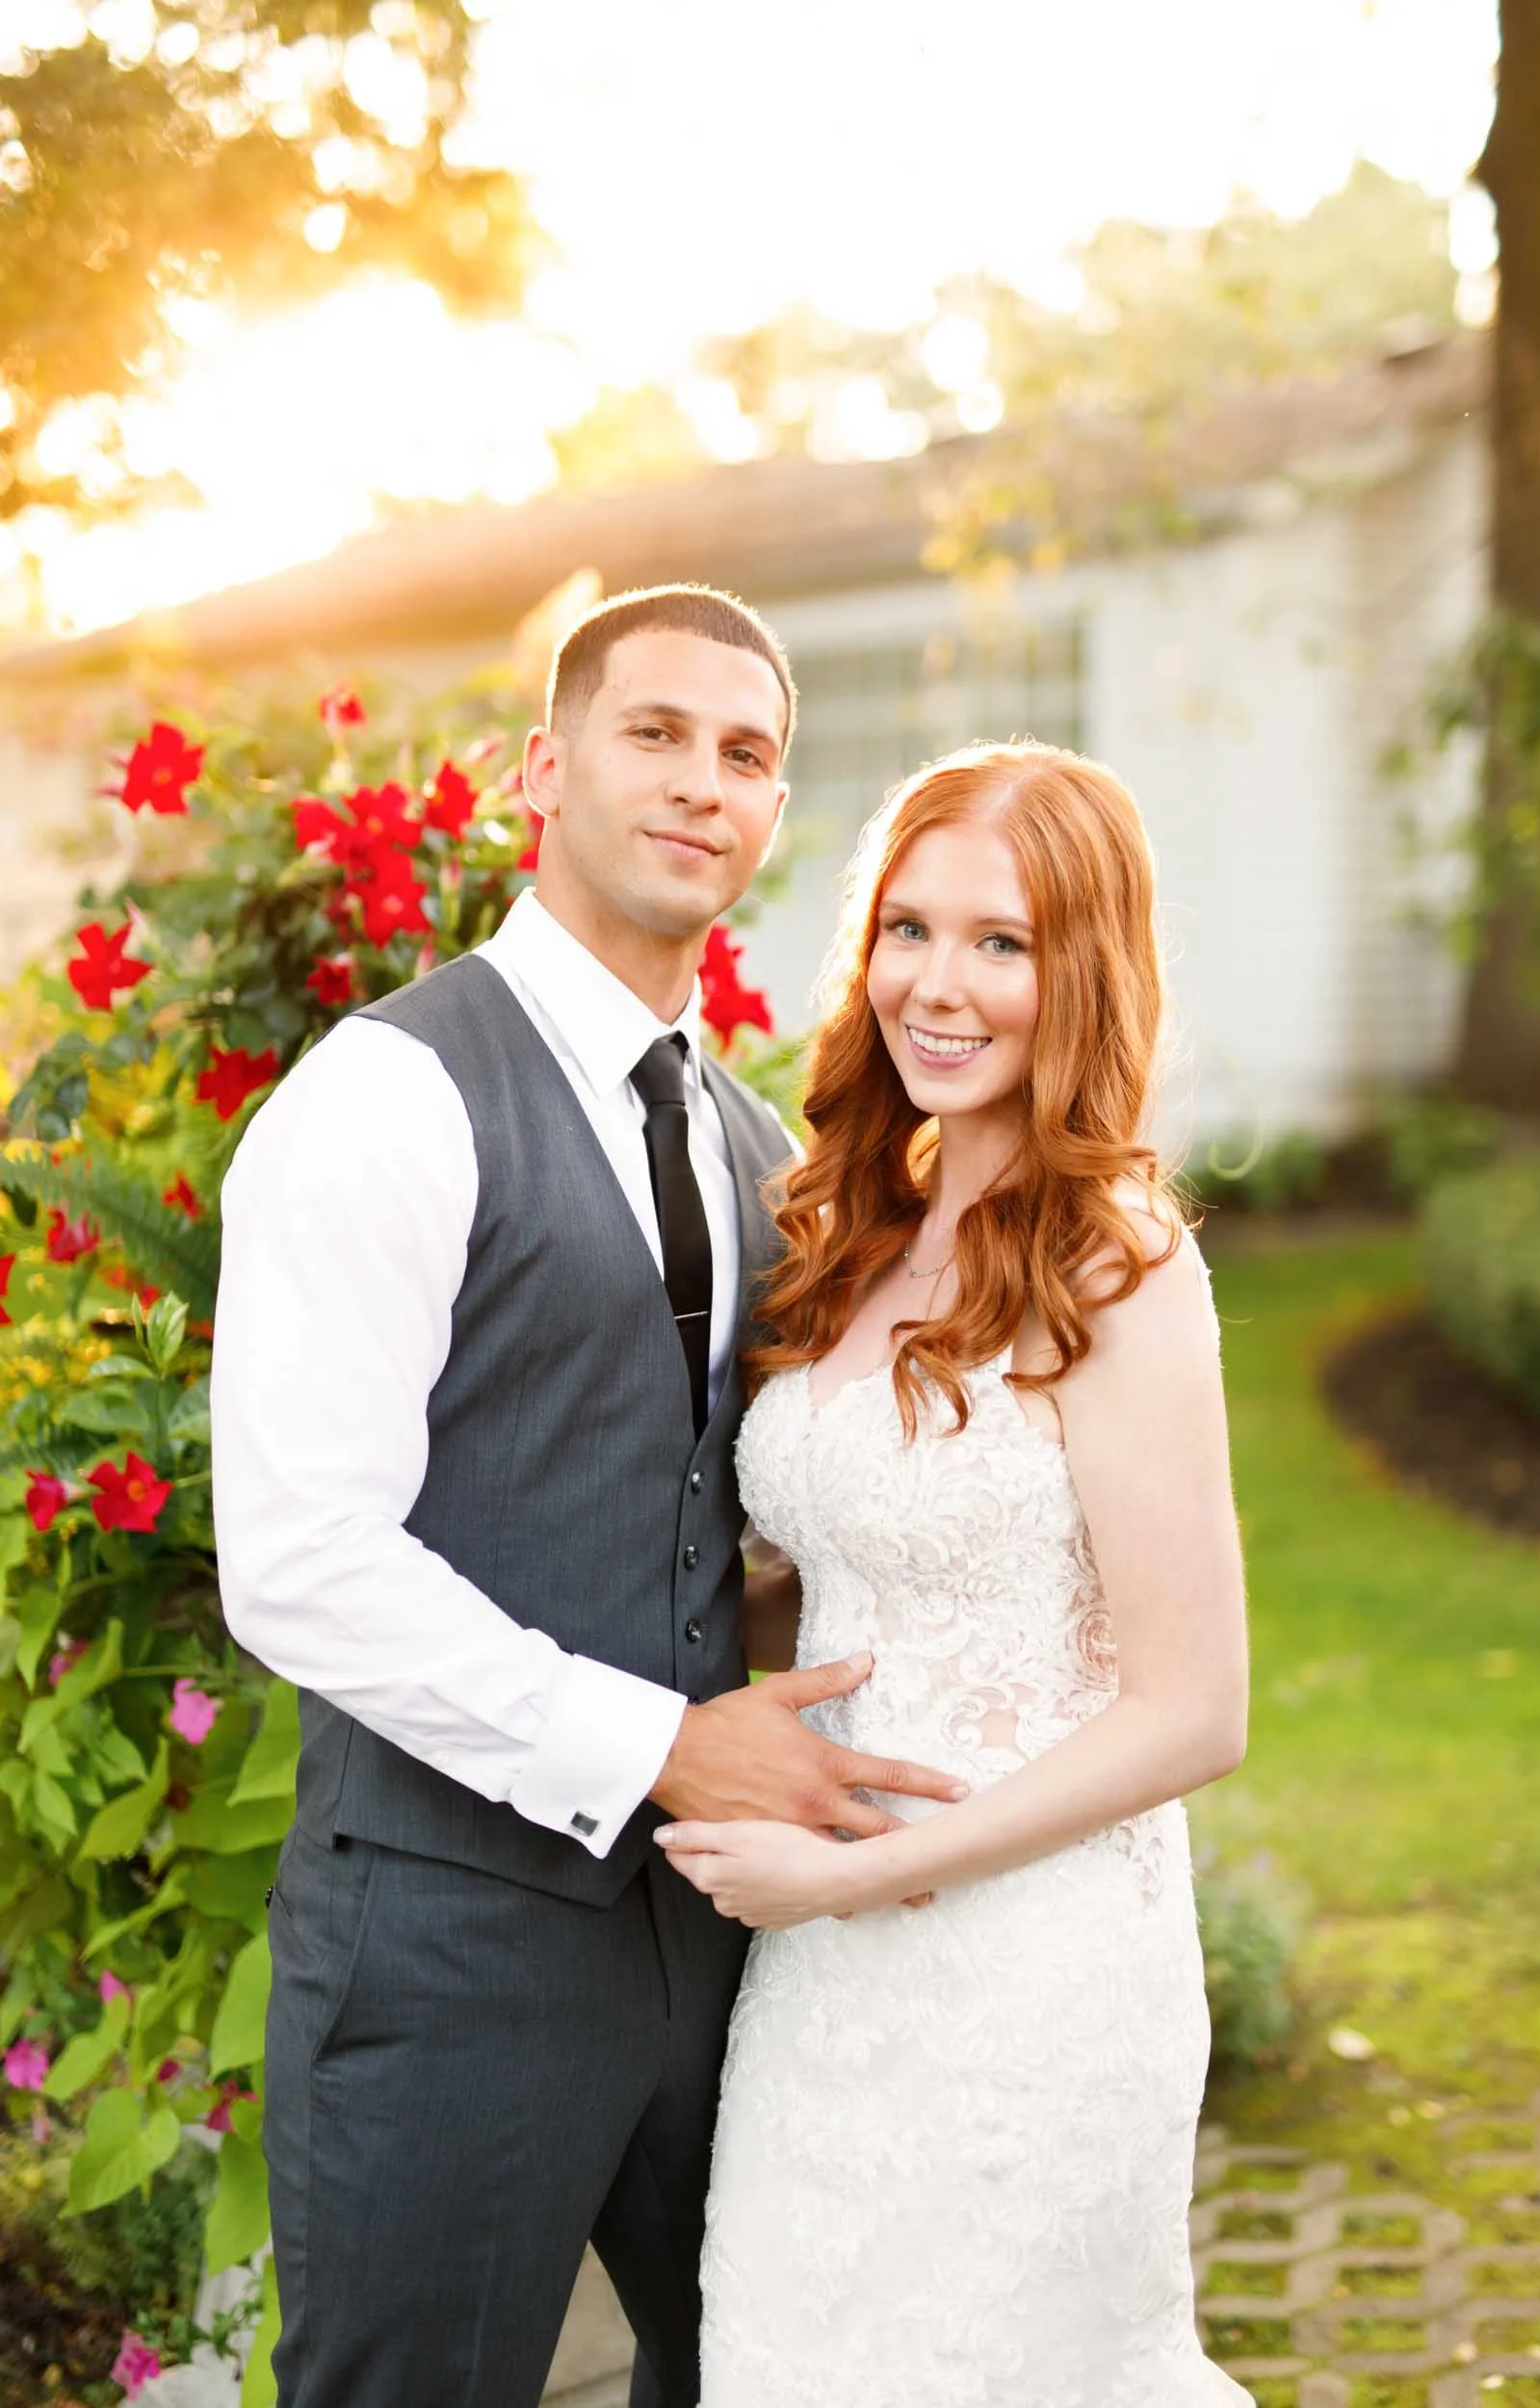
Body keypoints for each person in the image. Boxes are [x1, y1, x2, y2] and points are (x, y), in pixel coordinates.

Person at [210, 584, 968, 2408]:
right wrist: (655, 1744)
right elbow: (300, 1562)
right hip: (451, 1951)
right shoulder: (386, 1097)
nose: (704, 782)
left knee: (757, 2376)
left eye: (748, 754)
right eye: (656, 735)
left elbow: (717, 1499)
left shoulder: (751, 1135)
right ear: (543, 768)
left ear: (775, 813)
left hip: (721, 1941)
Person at [656, 740, 1254, 2408]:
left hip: (1031, 1965)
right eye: (907, 928)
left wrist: (853, 1878)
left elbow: (1196, 1709)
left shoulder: (1117, 1266)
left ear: (1085, 971)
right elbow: (856, 1560)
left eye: (1001, 941)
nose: (940, 984)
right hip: (822, 1974)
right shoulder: (850, 1236)